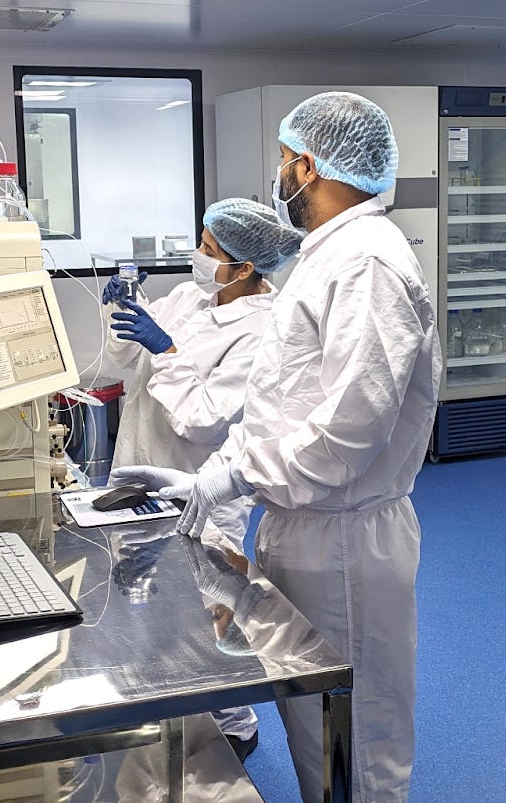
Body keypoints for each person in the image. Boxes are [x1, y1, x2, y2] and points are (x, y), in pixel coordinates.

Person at [115, 92, 441, 802]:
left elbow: (347, 433)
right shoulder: (331, 258)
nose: (280, 175)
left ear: (309, 166)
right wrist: (218, 474)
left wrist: (231, 480)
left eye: (285, 159)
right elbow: (285, 403)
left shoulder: (367, 265)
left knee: (357, 737)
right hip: (304, 523)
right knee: (316, 727)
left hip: (344, 538)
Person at [102, 196, 304, 760]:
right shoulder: (192, 296)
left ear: (245, 268)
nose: (198, 255)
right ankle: (172, 707)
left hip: (202, 489)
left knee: (203, 615)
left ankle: (235, 724)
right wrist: (125, 308)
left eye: (210, 249)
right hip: (143, 466)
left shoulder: (263, 330)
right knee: (147, 599)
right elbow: (126, 357)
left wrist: (165, 347)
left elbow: (202, 419)